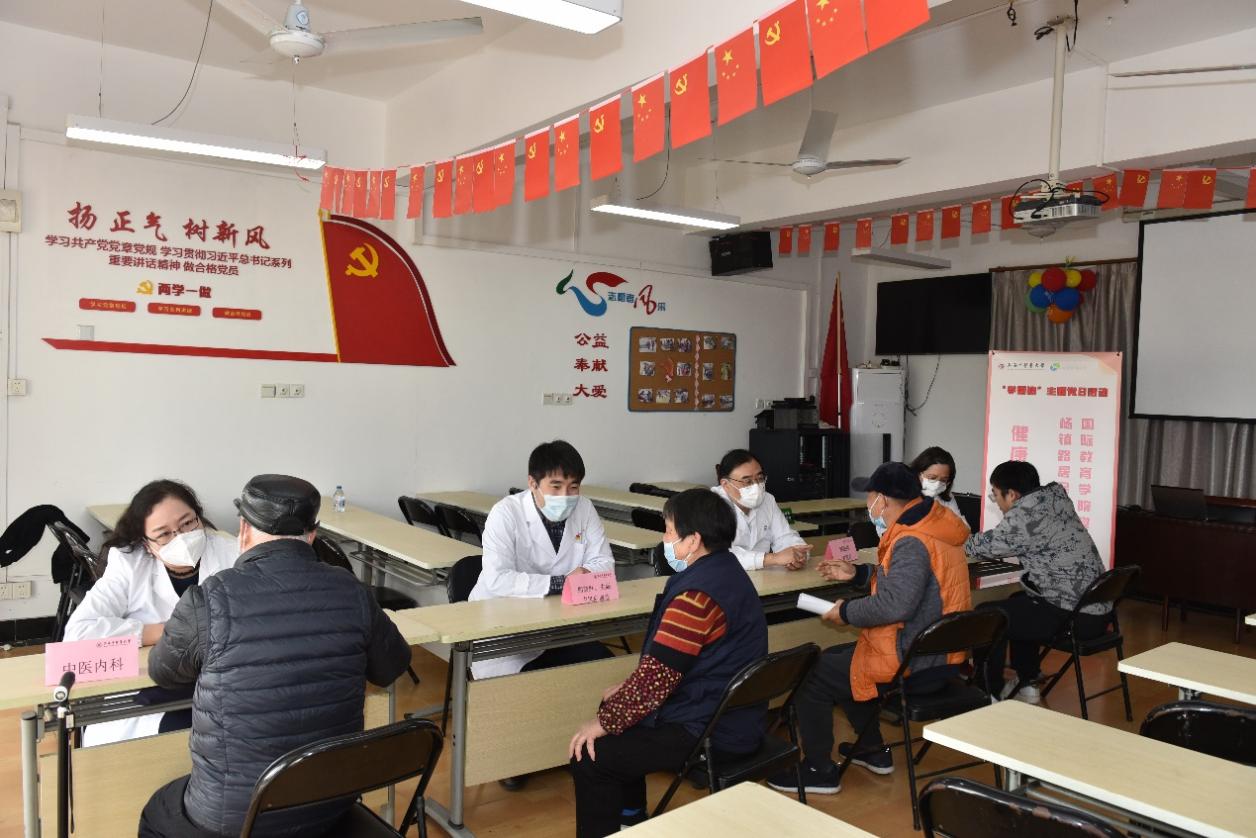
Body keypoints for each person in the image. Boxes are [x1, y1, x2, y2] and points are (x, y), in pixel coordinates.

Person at [138, 474, 411, 838]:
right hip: (329, 804)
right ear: (312, 534)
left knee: (158, 810)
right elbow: (391, 667)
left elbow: (163, 671)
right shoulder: (352, 590)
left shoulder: (209, 598)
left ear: (243, 530)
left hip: (234, 818)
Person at [568, 489, 768, 838]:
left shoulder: (696, 597)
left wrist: (605, 722)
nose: (665, 539)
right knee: (615, 705)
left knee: (590, 755)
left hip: (711, 729)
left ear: (693, 541)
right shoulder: (727, 571)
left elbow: (656, 680)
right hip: (730, 712)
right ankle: (631, 816)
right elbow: (672, 665)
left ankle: (622, 820)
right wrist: (622, 699)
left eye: (670, 531)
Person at [768, 462, 971, 796]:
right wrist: (860, 574)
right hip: (939, 653)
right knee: (841, 658)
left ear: (884, 500)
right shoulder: (934, 525)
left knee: (814, 672)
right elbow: (913, 584)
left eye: (870, 496)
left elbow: (896, 605)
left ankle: (819, 770)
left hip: (915, 661)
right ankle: (871, 749)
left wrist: (846, 611)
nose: (868, 503)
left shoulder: (911, 539)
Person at [64, 479, 237, 746]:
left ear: (199, 517)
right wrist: (167, 631)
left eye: (188, 523)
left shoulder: (232, 552)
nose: (181, 538)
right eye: (164, 534)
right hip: (154, 691)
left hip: (222, 684)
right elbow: (78, 634)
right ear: (146, 543)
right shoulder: (129, 563)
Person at [469, 439, 616, 679]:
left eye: (573, 487)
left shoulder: (585, 508)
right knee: (538, 684)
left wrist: (586, 575)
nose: (565, 496)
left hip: (560, 623)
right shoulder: (505, 513)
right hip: (504, 630)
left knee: (603, 666)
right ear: (532, 483)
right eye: (556, 487)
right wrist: (562, 583)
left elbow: (605, 565)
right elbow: (498, 579)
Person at [965, 460, 1107, 703]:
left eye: (995, 494)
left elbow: (982, 547)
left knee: (987, 616)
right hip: (1097, 610)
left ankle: (986, 693)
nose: (996, 501)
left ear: (1012, 494)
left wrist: (956, 537)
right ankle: (1027, 681)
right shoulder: (1055, 499)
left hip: (1075, 618)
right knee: (1019, 601)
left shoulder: (1025, 517)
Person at [711, 449, 810, 572]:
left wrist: (797, 554)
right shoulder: (712, 505)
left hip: (763, 576)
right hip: (724, 576)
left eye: (760, 478)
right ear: (726, 484)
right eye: (747, 481)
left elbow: (784, 536)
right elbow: (719, 554)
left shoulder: (767, 500)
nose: (756, 486)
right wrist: (772, 558)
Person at [908, 446, 968, 528]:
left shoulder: (947, 498)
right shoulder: (902, 496)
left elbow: (963, 527)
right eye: (932, 478)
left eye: (943, 480)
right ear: (918, 474)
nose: (937, 485)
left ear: (948, 482)